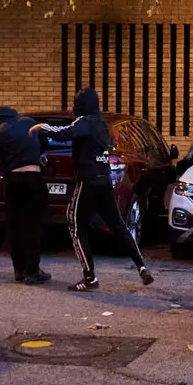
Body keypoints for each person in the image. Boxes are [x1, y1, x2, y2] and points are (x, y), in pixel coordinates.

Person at [29, 88, 153, 291]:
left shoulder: (84, 121)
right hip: (104, 180)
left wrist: (43, 127)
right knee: (118, 226)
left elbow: (66, 133)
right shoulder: (102, 125)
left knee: (76, 225)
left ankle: (89, 278)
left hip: (87, 180)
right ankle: (142, 266)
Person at [0, 106, 50, 285]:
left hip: (12, 181)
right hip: (33, 177)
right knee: (33, 226)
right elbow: (46, 142)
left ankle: (19, 271)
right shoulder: (29, 123)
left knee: (15, 226)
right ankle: (33, 271)